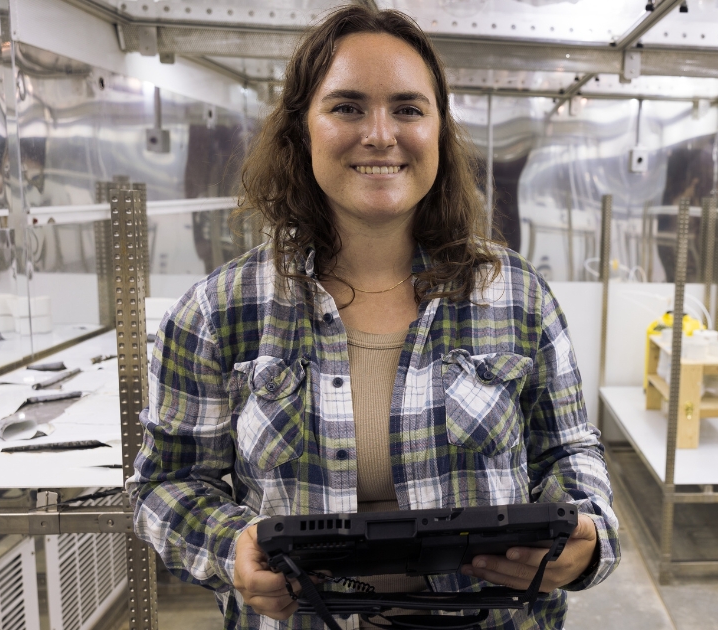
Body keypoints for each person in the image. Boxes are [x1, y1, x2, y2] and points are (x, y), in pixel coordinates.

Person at [127, 6, 620, 630]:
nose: (381, 135)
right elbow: (164, 485)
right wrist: (232, 546)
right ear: (301, 129)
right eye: (348, 107)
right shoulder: (219, 312)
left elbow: (570, 451)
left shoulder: (517, 295)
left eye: (409, 109)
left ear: (439, 130)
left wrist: (586, 541)